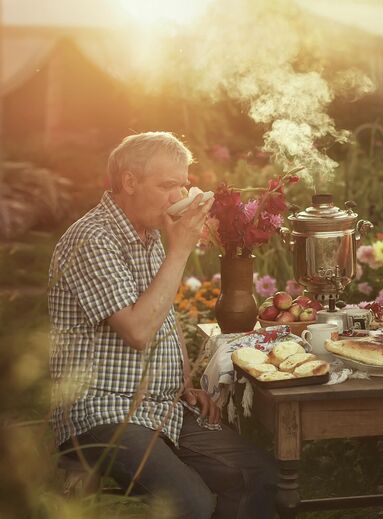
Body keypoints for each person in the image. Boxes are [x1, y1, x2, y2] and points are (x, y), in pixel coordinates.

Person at [49, 132, 277, 519]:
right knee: (191, 503)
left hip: (160, 407)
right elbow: (139, 331)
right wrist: (182, 248)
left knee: (258, 475)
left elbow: (164, 316)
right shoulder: (91, 239)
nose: (179, 195)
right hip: (102, 412)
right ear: (129, 182)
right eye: (167, 185)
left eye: (183, 184)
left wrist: (183, 383)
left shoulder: (151, 233)